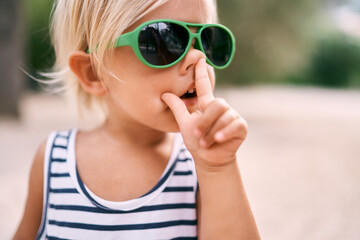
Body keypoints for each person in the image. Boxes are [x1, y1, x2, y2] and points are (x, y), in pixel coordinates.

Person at [13, 0, 260, 239]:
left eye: (207, 41)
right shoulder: (53, 162)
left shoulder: (199, 168)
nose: (198, 59)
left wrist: (218, 168)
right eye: (164, 41)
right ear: (95, 73)